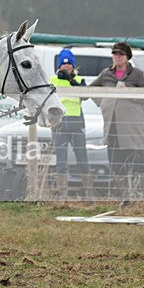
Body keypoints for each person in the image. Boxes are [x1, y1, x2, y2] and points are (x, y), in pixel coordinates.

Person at [89, 42, 144, 207]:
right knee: (117, 164)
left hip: (133, 129)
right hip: (112, 127)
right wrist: (103, 102)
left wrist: (129, 92)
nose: (117, 57)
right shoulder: (106, 74)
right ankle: (125, 198)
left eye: (121, 54)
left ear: (127, 57)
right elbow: (90, 90)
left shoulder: (137, 74)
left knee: (142, 163)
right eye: (115, 54)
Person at [49, 49, 92, 200]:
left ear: (73, 66)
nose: (66, 67)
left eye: (69, 64)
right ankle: (63, 195)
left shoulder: (80, 80)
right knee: (61, 161)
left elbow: (86, 96)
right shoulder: (53, 80)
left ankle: (88, 194)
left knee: (82, 160)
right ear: (59, 66)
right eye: (63, 64)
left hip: (76, 125)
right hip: (59, 125)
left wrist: (72, 81)